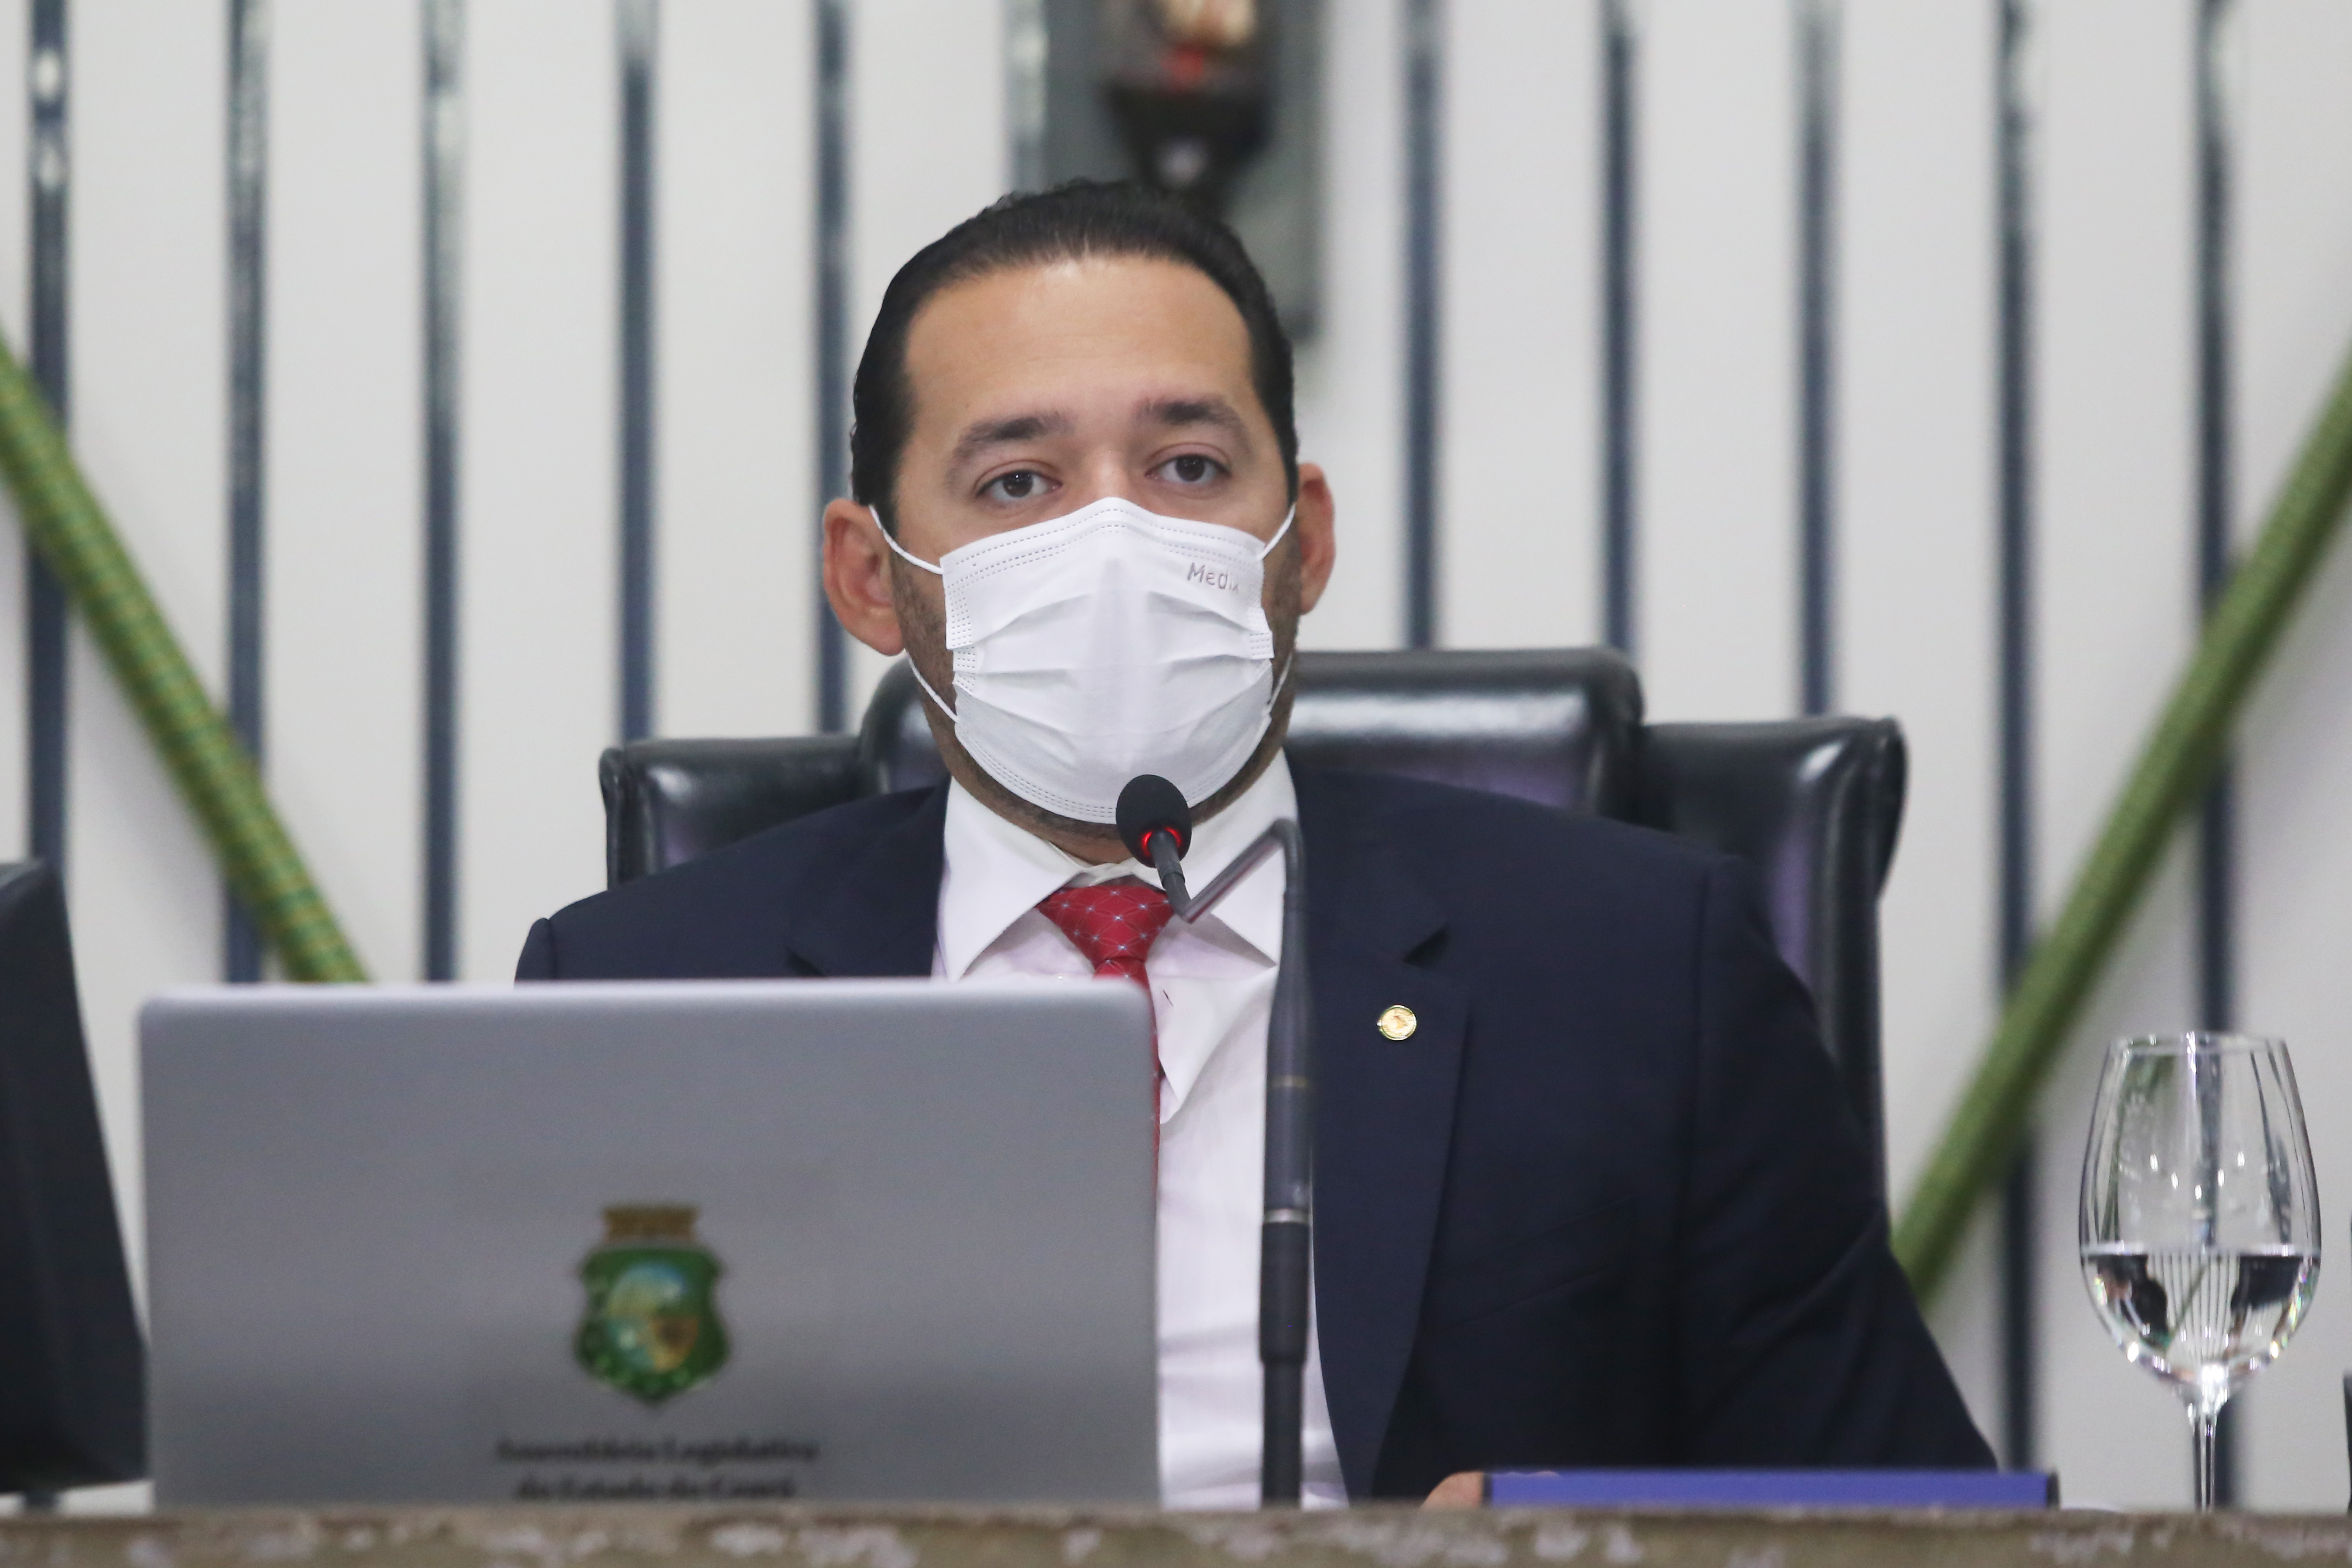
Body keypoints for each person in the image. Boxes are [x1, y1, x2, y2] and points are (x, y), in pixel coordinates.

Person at [517, 180, 1994, 1504]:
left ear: (1306, 541)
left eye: (1187, 467)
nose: (1115, 544)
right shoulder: (640, 997)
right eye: (1017, 483)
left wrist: (1571, 1543)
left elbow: (1916, 1530)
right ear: (868, 576)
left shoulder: (1640, 970)